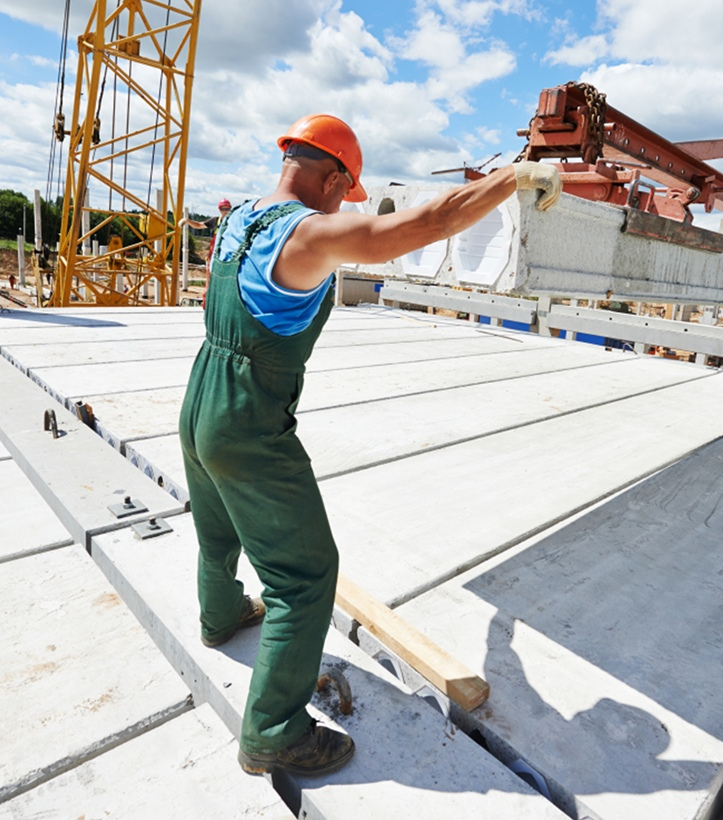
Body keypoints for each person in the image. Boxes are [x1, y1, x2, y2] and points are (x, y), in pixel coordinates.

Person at [178, 113, 561, 777]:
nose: (342, 207)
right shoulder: (308, 233)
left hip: (199, 400)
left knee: (219, 528)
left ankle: (219, 616)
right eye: (344, 194)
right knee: (303, 578)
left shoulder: (239, 218)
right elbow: (424, 225)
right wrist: (513, 177)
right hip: (249, 423)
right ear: (331, 179)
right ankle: (272, 732)